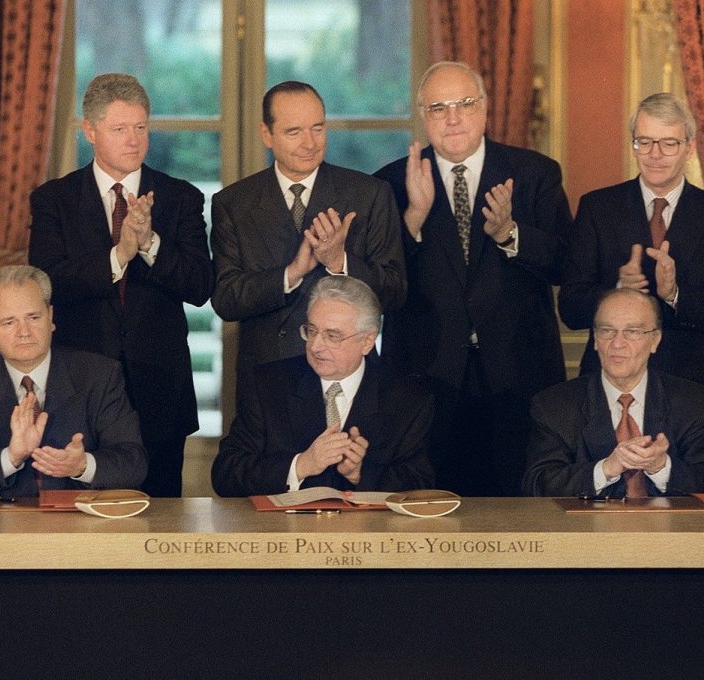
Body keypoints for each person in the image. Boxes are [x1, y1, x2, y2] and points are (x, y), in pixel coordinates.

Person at [373, 61, 572, 496]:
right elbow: (378, 286)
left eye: (464, 103)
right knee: (429, 522)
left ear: (484, 108)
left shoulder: (536, 174)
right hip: (426, 381)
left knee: (521, 520)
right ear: (423, 116)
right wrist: (413, 219)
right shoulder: (390, 183)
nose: (453, 118)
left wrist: (510, 234)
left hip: (518, 379)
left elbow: (565, 264)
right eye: (439, 107)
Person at [29, 73, 212, 497]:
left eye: (141, 128)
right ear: (89, 131)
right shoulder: (53, 199)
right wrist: (120, 254)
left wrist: (149, 243)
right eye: (119, 129)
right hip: (80, 391)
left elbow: (201, 285)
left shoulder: (180, 197)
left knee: (161, 523)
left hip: (160, 393)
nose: (134, 140)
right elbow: (47, 283)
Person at [210, 80, 405, 406]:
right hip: (268, 381)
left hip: (348, 379)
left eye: (318, 128)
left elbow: (395, 292)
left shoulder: (368, 194)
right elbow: (226, 300)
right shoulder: (234, 203)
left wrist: (339, 262)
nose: (310, 143)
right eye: (293, 132)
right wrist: (291, 274)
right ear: (266, 135)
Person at [558, 92, 704, 418]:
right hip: (606, 392)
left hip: (690, 393)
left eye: (668, 144)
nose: (654, 154)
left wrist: (675, 295)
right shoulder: (598, 208)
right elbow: (570, 308)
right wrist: (618, 293)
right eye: (644, 142)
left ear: (689, 147)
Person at [0, 266, 147, 497]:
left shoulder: (99, 376)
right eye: (9, 322)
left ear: (50, 317)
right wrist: (10, 458)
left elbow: (134, 464)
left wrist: (82, 466)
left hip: (81, 526)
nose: (24, 332)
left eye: (33, 317)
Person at [212, 276, 433, 497]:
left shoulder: (408, 400)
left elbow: (421, 485)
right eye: (311, 331)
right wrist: (300, 466)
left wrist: (361, 474)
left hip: (368, 531)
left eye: (332, 336)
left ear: (367, 341)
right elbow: (226, 474)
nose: (316, 346)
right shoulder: (268, 385)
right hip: (286, 530)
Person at [524, 288, 704, 497]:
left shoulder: (695, 403)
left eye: (633, 332)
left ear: (655, 341)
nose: (617, 344)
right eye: (607, 331)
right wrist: (606, 468)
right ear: (595, 339)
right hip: (587, 528)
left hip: (668, 528)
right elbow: (537, 485)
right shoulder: (554, 405)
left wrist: (660, 467)